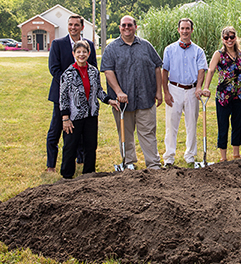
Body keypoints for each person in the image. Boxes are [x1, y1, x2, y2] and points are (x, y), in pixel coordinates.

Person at [100, 15, 163, 169]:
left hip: (145, 98)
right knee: (125, 134)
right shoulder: (112, 48)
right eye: (123, 25)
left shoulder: (146, 46)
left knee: (148, 133)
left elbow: (157, 67)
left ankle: (153, 164)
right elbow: (108, 71)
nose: (126, 28)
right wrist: (119, 91)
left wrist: (159, 91)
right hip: (123, 102)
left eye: (130, 25)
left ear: (135, 27)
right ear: (120, 27)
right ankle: (128, 163)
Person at [59, 40, 119, 179]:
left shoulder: (93, 71)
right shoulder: (68, 74)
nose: (81, 54)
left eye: (84, 52)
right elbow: (63, 98)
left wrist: (109, 100)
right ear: (74, 54)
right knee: (70, 146)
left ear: (89, 53)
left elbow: (98, 91)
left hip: (91, 114)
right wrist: (65, 118)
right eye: (78, 52)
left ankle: (89, 174)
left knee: (91, 146)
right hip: (74, 116)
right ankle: (67, 175)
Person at [46, 14, 97, 173]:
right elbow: (54, 69)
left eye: (76, 25)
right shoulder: (58, 44)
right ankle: (51, 165)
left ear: (82, 27)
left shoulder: (89, 45)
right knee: (56, 130)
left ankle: (81, 160)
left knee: (81, 131)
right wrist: (71, 85)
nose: (73, 27)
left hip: (83, 100)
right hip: (61, 96)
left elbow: (92, 67)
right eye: (70, 24)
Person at [162, 18, 208, 166]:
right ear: (178, 30)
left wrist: (199, 87)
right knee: (171, 124)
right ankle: (169, 156)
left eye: (187, 28)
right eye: (182, 28)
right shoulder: (169, 49)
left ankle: (190, 155)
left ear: (191, 30)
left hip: (192, 90)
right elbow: (164, 71)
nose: (185, 31)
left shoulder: (198, 51)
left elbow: (202, 70)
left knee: (191, 124)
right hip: (174, 88)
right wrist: (166, 93)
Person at [202, 26, 241, 162]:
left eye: (232, 37)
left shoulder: (240, 54)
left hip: (238, 94)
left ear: (235, 38)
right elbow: (210, 70)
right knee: (223, 125)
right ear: (223, 39)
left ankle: (236, 154)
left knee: (237, 124)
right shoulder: (219, 54)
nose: (229, 40)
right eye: (226, 37)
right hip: (223, 96)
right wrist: (206, 87)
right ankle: (223, 156)